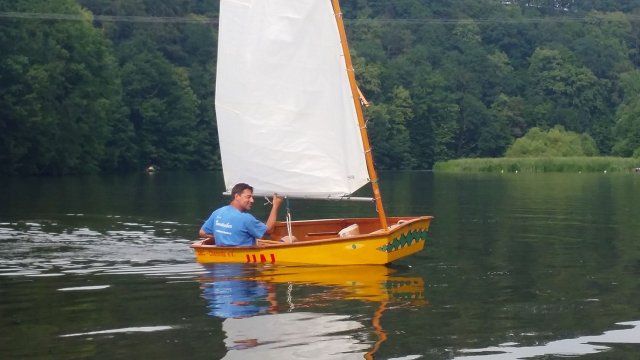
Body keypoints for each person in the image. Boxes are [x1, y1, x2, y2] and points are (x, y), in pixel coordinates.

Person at [199, 183, 283, 246]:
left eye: (252, 197)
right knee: (290, 239)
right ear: (236, 196)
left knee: (258, 239)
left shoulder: (218, 212)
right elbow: (269, 230)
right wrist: (276, 205)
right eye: (248, 197)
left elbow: (202, 232)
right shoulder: (246, 218)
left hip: (223, 259)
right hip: (243, 262)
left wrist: (221, 235)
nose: (252, 200)